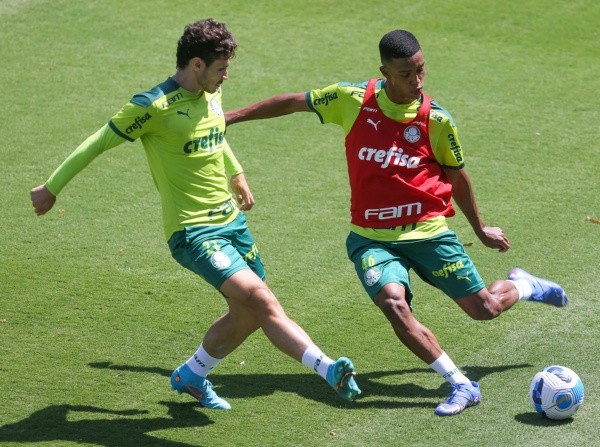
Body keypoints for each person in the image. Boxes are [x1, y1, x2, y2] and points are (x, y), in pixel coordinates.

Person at [224, 29, 569, 416]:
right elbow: (293, 101)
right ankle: (460, 383)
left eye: (421, 70)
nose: (417, 81)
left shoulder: (436, 119)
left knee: (484, 309)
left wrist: (480, 229)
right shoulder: (352, 100)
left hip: (428, 232)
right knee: (394, 303)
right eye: (406, 74)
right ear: (385, 72)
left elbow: (457, 177)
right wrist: (231, 117)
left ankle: (522, 285)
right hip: (371, 238)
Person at [30, 18, 361, 410]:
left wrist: (236, 173)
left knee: (248, 314)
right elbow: (98, 142)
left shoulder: (211, 92)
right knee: (261, 299)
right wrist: (51, 187)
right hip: (193, 232)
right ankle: (329, 369)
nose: (226, 75)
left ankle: (192, 375)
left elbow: (214, 133)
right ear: (196, 64)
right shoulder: (153, 106)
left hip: (232, 223)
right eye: (221, 68)